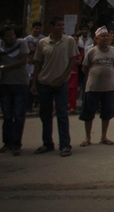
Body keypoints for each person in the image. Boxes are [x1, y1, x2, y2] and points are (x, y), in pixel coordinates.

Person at [32, 16, 79, 157]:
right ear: (51, 27)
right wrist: (34, 82)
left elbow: (73, 60)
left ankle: (65, 145)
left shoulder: (69, 41)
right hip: (44, 82)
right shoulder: (43, 43)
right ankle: (47, 143)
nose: (61, 27)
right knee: (45, 114)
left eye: (62, 25)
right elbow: (38, 63)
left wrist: (63, 77)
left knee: (62, 114)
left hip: (61, 83)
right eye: (58, 25)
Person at [79, 27, 114, 147]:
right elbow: (85, 68)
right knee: (89, 112)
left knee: (107, 113)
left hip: (109, 87)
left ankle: (103, 136)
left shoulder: (113, 51)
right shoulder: (92, 51)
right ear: (96, 38)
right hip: (93, 87)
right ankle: (87, 137)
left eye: (107, 36)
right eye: (103, 36)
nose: (106, 38)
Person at [0, 25, 29, 155]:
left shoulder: (22, 42)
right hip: (5, 83)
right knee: (7, 116)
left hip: (21, 83)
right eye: (8, 35)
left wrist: (3, 67)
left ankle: (16, 144)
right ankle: (7, 142)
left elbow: (23, 60)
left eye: (13, 35)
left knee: (19, 115)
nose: (12, 37)